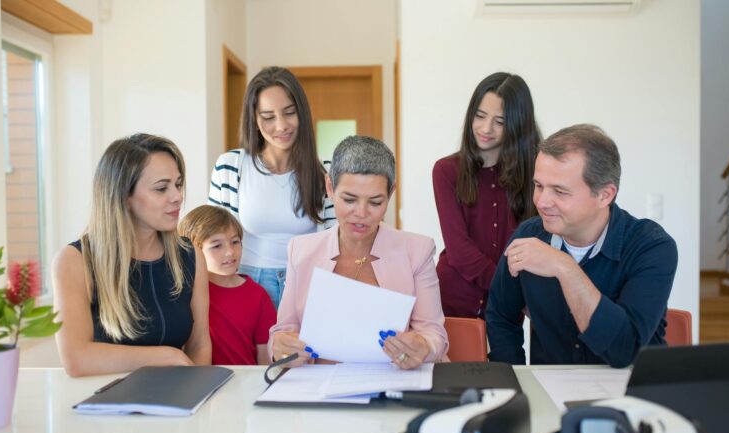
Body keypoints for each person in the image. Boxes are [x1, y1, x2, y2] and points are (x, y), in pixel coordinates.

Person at [486, 124, 678, 368]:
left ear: (605, 195)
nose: (542, 202)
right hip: (552, 393)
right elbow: (501, 316)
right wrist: (516, 382)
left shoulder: (652, 247)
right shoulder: (527, 235)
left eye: (559, 191)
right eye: (539, 186)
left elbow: (624, 351)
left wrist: (564, 267)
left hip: (631, 392)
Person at [269, 136, 449, 369]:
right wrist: (280, 346)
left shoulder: (417, 251)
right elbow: (283, 332)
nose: (361, 213)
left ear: (390, 193)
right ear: (330, 188)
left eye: (375, 202)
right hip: (318, 389)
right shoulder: (301, 251)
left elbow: (435, 335)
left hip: (394, 386)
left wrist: (424, 347)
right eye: (349, 199)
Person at [52, 134, 211, 377]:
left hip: (176, 405)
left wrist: (193, 393)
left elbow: (199, 344)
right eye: (161, 188)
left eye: (178, 184)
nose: (177, 196)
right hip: (102, 407)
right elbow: (77, 358)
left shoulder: (191, 256)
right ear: (123, 197)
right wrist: (166, 356)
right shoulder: (73, 261)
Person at [208, 66, 335, 310]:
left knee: (300, 351)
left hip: (307, 286)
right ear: (254, 120)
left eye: (289, 113)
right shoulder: (231, 167)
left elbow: (335, 241)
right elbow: (210, 239)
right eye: (268, 117)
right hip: (246, 284)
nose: (281, 126)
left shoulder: (326, 172)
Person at [433, 72, 540, 318]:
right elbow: (459, 250)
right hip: (453, 301)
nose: (485, 128)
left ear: (516, 124)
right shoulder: (446, 171)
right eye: (479, 116)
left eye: (500, 121)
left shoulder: (534, 174)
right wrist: (511, 289)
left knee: (506, 358)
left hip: (504, 309)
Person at [179, 205, 276, 365]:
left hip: (248, 385)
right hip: (202, 384)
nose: (230, 252)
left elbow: (265, 359)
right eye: (217, 245)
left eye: (235, 242)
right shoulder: (185, 296)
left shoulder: (258, 295)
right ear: (192, 251)